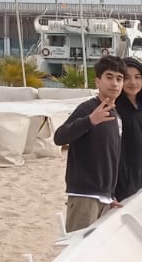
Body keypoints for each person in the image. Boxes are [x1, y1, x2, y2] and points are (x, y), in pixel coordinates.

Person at [53, 56, 126, 231]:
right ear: (98, 81)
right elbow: (59, 137)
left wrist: (110, 194)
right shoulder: (87, 108)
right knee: (77, 244)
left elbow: (111, 157)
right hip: (84, 195)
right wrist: (89, 121)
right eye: (109, 77)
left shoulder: (116, 115)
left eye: (119, 78)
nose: (114, 83)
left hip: (105, 198)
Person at [114, 56, 142, 201]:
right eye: (127, 77)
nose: (133, 82)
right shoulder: (115, 109)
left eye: (137, 77)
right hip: (122, 183)